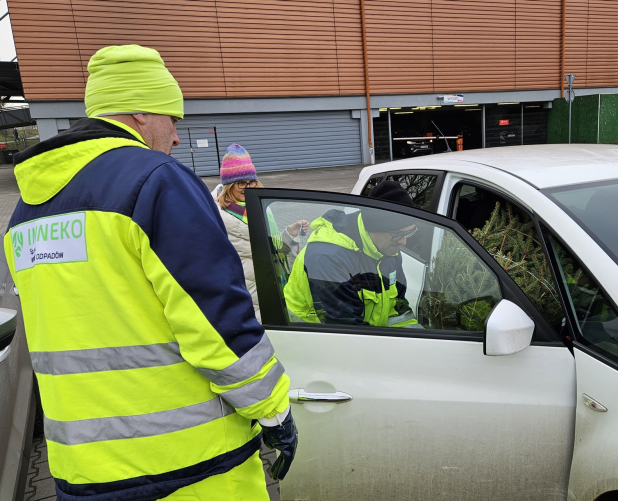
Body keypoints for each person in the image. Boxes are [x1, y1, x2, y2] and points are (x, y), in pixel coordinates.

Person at [3, 45, 297, 501]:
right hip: (187, 466)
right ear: (141, 113)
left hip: (80, 472)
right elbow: (214, 318)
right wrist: (274, 411)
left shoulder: (26, 212)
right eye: (172, 118)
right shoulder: (155, 180)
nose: (177, 137)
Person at [283, 180, 420, 327]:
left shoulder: (389, 251)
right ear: (373, 227)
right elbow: (347, 330)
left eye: (409, 233)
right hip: (311, 337)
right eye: (398, 234)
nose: (403, 242)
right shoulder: (328, 258)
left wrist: (419, 340)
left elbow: (398, 311)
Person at [215, 143, 308, 322]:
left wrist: (289, 233)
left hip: (268, 285)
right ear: (228, 185)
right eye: (241, 183)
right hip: (243, 293)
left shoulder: (260, 207)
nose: (247, 187)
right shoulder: (218, 214)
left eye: (251, 181)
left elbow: (269, 247)